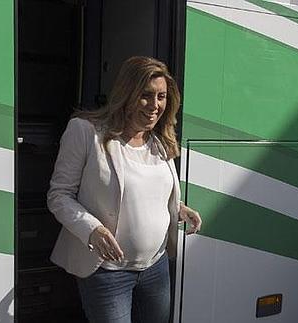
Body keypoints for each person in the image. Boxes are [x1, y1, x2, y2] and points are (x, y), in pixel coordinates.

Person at [47, 56, 202, 323]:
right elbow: (59, 196)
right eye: (146, 95)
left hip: (156, 267)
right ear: (126, 94)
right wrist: (92, 230)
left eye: (162, 96)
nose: (155, 106)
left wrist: (179, 209)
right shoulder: (85, 131)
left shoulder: (160, 140)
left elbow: (148, 194)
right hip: (107, 272)